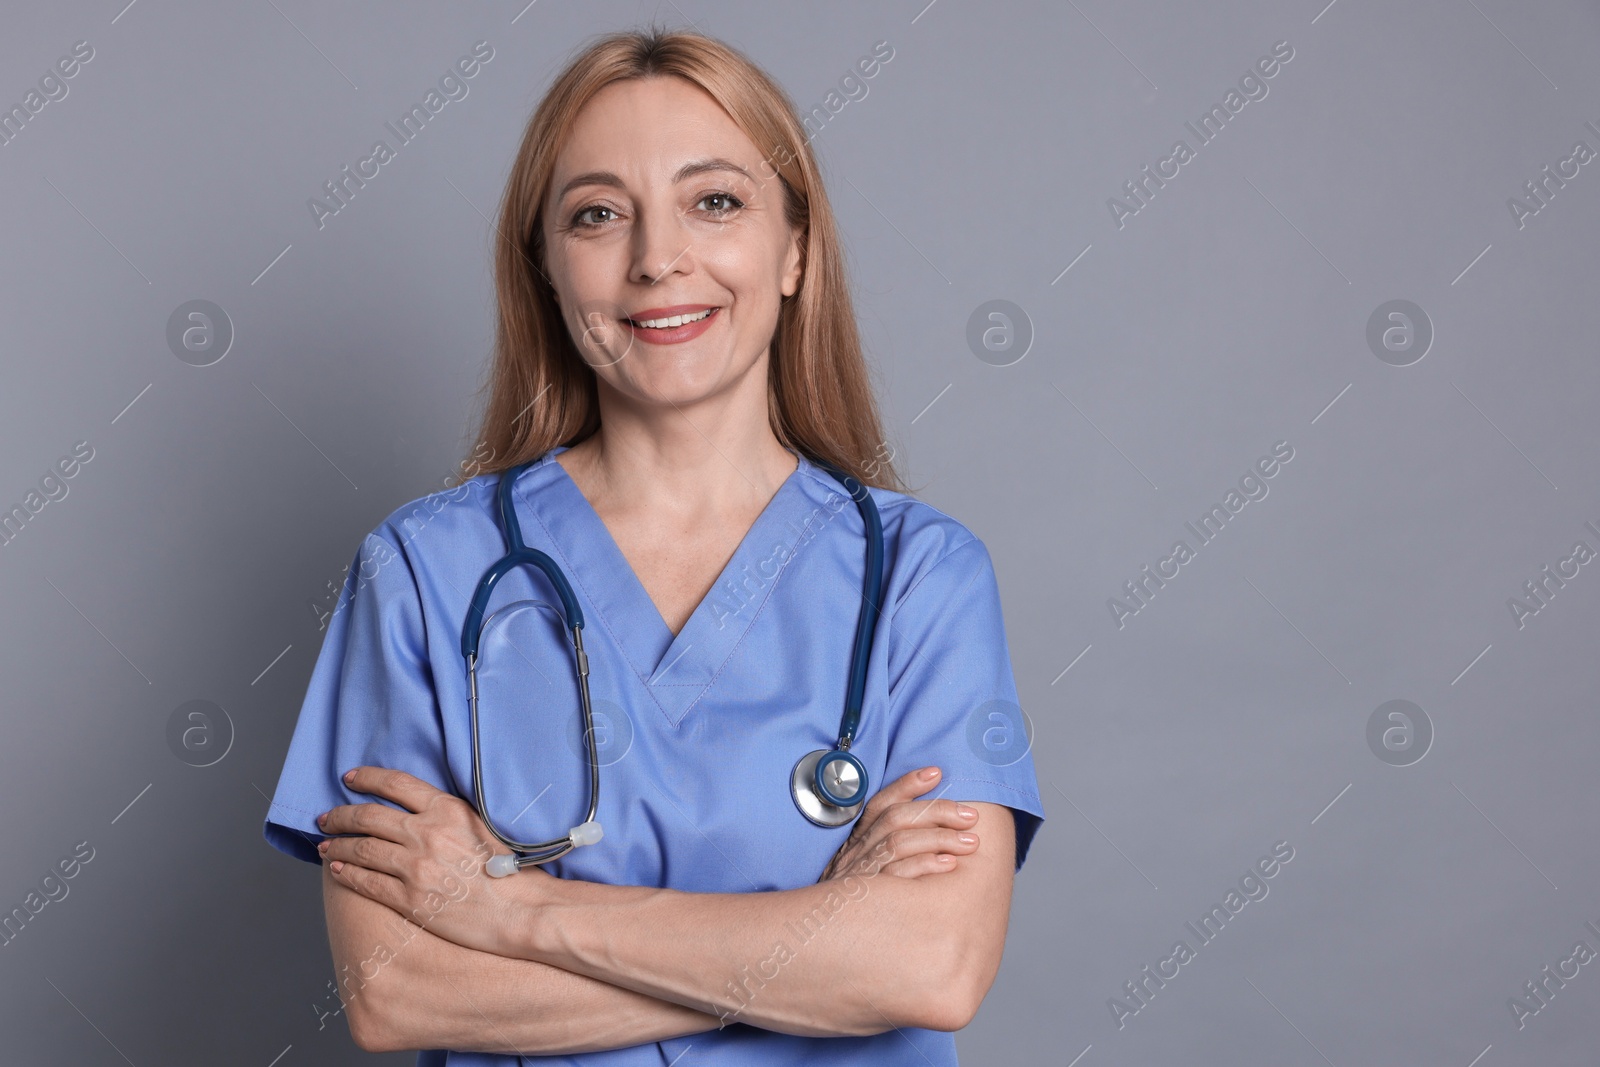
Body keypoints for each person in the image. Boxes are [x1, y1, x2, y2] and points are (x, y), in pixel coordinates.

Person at [263, 26, 1045, 1065]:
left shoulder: (922, 578)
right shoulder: (420, 573)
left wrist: (516, 913)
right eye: (596, 214)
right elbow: (395, 989)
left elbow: (928, 967)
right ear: (543, 265)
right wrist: (811, 949)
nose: (657, 258)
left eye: (714, 201)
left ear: (795, 249)